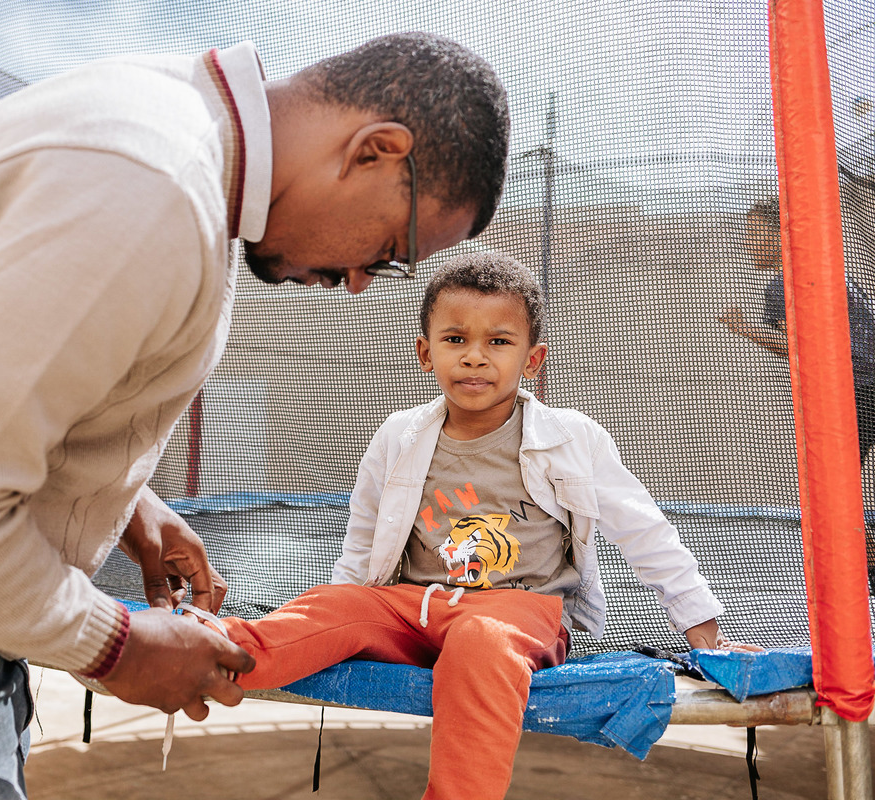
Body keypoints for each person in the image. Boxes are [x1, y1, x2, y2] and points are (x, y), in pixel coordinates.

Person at [0, 33, 512, 799]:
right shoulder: (150, 191)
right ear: (375, 151)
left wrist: (123, 503)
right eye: (390, 251)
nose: (362, 282)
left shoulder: (162, 118)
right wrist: (116, 645)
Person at [214, 252, 754, 800]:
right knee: (332, 607)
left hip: (519, 613)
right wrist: (344, 607)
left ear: (532, 359)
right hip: (413, 608)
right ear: (426, 353)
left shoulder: (570, 439)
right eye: (455, 340)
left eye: (498, 342)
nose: (474, 357)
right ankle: (211, 653)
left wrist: (701, 625)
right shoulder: (399, 436)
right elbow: (363, 536)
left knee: (480, 640)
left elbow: (644, 531)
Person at [718, 196, 875, 588]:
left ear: (780, 235)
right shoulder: (829, 270)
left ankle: (864, 565)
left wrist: (743, 328)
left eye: (756, 233)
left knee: (832, 490)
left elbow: (795, 344)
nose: (748, 243)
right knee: (839, 488)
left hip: (850, 391)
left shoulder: (783, 283)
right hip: (864, 385)